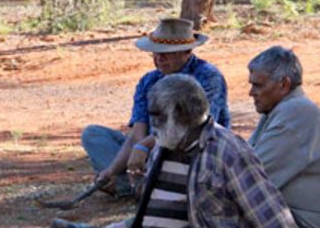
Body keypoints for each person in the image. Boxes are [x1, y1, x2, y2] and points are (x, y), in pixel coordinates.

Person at [51, 75, 320, 228]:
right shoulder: (166, 142)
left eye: (158, 116)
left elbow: (269, 212)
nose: (153, 124)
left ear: (181, 113)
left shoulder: (229, 150)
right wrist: (137, 182)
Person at [81, 18, 230, 198]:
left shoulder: (208, 76)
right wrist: (111, 170)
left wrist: (143, 147)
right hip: (151, 153)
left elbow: (196, 128)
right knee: (93, 134)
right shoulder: (148, 80)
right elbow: (138, 133)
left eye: (167, 54)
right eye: (155, 53)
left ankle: (145, 186)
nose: (159, 59)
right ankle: (135, 183)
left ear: (186, 52)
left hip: (190, 152)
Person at [248, 46, 320, 228]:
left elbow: (249, 178)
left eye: (258, 85)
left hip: (303, 224)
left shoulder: (295, 113)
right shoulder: (284, 108)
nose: (251, 92)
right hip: (288, 217)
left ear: (284, 84)